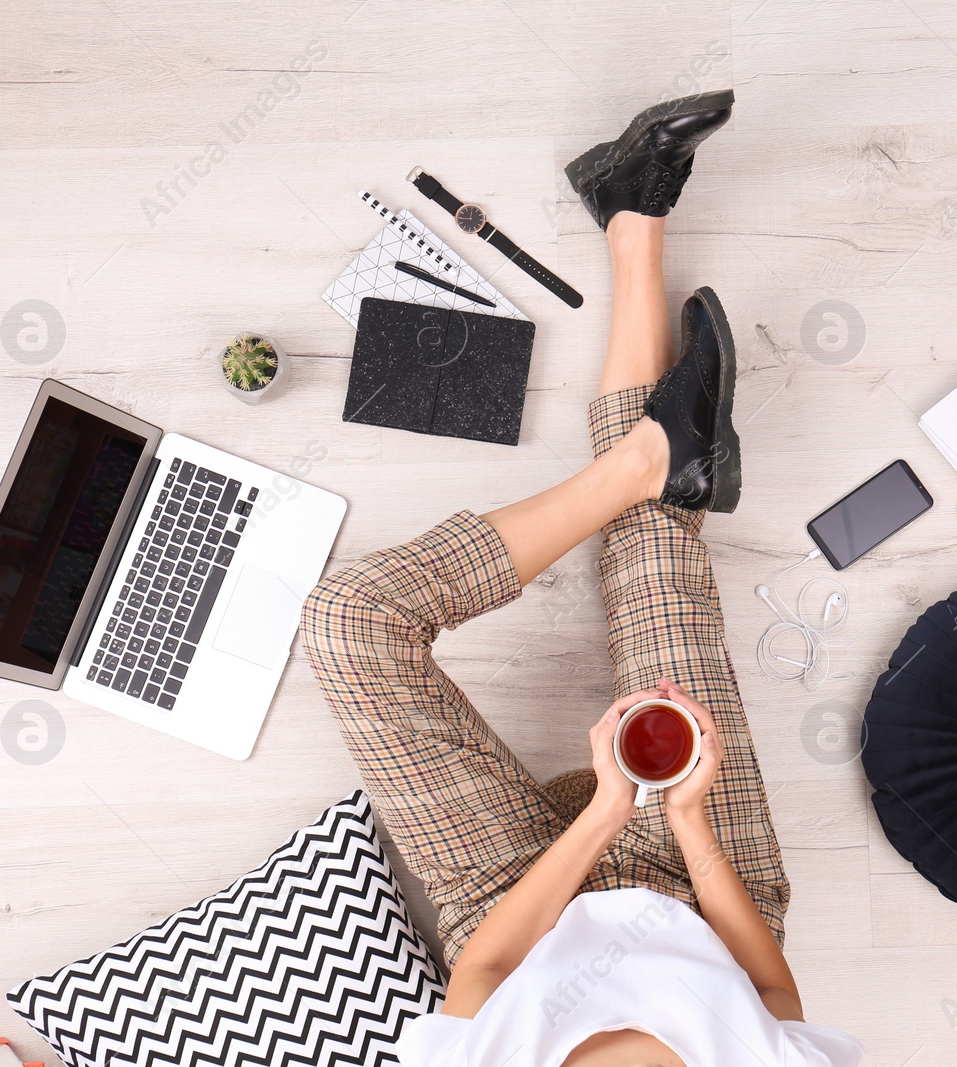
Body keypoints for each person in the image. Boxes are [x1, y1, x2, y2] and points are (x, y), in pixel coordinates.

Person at [302, 90, 863, 1067]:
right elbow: (769, 990)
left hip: (505, 909)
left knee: (351, 619)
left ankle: (638, 461)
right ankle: (632, 216)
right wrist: (681, 819)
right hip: (700, 885)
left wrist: (606, 808)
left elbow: (478, 975)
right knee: (658, 555)